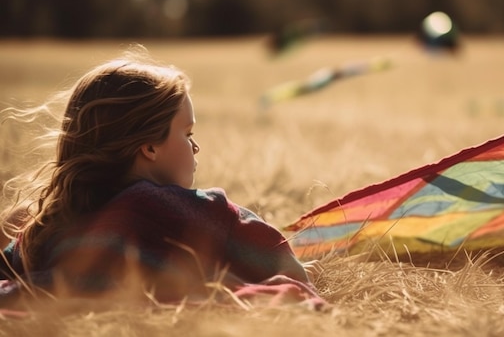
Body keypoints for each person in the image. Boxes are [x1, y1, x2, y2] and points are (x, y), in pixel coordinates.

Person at [0, 47, 325, 309]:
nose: (196, 147)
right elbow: (286, 266)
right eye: (187, 133)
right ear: (150, 146)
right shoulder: (199, 209)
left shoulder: (52, 221)